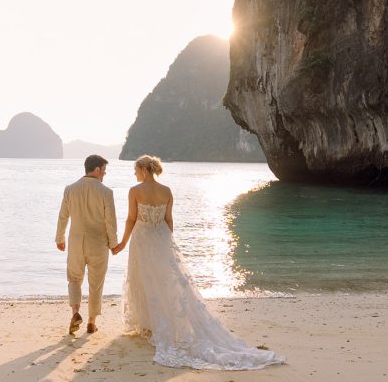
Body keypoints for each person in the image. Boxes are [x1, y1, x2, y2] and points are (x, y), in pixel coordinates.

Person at [112, 155, 285, 370]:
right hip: (162, 238)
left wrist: (122, 243)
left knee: (143, 279)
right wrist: (168, 243)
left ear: (144, 170)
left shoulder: (135, 191)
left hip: (143, 239)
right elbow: (169, 220)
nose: (135, 174)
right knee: (166, 281)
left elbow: (131, 218)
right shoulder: (166, 191)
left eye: (136, 170)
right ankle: (154, 324)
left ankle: (149, 326)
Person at [55, 154, 120, 335]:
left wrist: (59, 238)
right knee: (96, 283)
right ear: (97, 169)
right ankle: (91, 322)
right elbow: (110, 222)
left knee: (74, 279)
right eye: (104, 170)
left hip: (76, 242)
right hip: (98, 243)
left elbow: (63, 216)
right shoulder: (106, 192)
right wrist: (114, 244)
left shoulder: (70, 189)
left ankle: (76, 312)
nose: (104, 174)